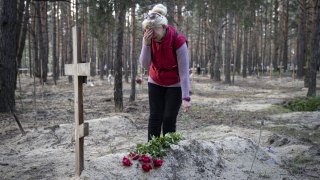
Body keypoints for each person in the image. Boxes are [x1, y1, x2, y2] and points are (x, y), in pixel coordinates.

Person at [139, 4, 191, 141]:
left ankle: (169, 150)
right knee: (155, 116)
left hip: (175, 83)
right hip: (155, 80)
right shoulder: (148, 39)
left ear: (163, 27)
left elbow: (184, 72)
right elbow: (145, 64)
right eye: (147, 30)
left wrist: (186, 97)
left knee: (168, 117)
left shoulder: (178, 41)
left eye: (153, 30)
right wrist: (146, 44)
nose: (150, 34)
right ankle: (152, 150)